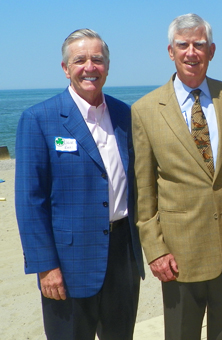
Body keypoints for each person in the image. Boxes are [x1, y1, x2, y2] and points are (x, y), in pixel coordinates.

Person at [15, 29, 144, 340]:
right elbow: (29, 200)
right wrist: (45, 267)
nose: (90, 67)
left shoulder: (123, 114)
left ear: (108, 66)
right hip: (68, 263)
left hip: (123, 257)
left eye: (97, 59)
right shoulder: (39, 119)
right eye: (80, 60)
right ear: (65, 68)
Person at [131, 13, 222, 340]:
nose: (191, 52)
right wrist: (155, 250)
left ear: (211, 51)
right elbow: (144, 190)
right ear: (171, 51)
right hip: (178, 254)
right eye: (182, 45)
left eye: (199, 44)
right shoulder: (145, 109)